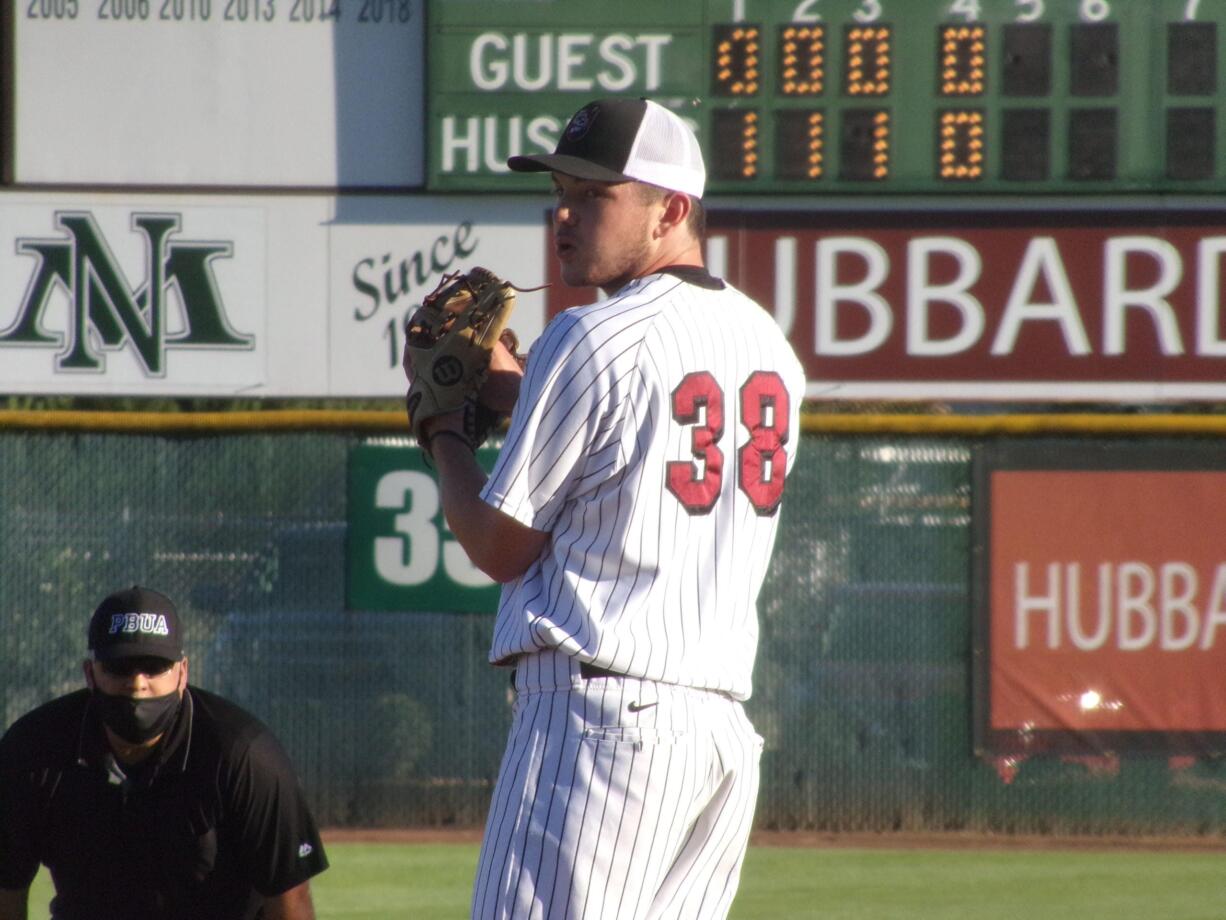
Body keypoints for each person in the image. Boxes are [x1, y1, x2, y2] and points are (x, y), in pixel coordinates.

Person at [405, 97, 807, 919]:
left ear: (672, 210)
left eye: (596, 195)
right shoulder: (768, 342)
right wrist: (521, 396)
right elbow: (632, 450)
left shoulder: (590, 336)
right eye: (561, 189)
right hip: (718, 734)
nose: (564, 211)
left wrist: (443, 434)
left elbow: (501, 547)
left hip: (600, 722)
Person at [0, 586, 328, 920]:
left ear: (183, 672)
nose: (137, 682)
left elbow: (291, 901)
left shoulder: (244, 756)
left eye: (154, 666)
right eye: (119, 667)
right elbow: (5, 886)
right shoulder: (32, 751)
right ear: (90, 673)